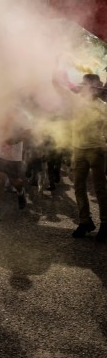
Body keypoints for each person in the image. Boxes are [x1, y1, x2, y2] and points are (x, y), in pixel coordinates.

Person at [68, 74, 107, 242]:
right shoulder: (76, 103)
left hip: (97, 148)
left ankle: (105, 224)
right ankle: (85, 221)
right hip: (78, 148)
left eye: (86, 85)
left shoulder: (102, 106)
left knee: (100, 188)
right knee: (78, 186)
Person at [0, 104, 31, 221]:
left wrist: (12, 141)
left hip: (13, 156)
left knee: (14, 181)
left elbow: (28, 132)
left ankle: (21, 191)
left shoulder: (22, 114)